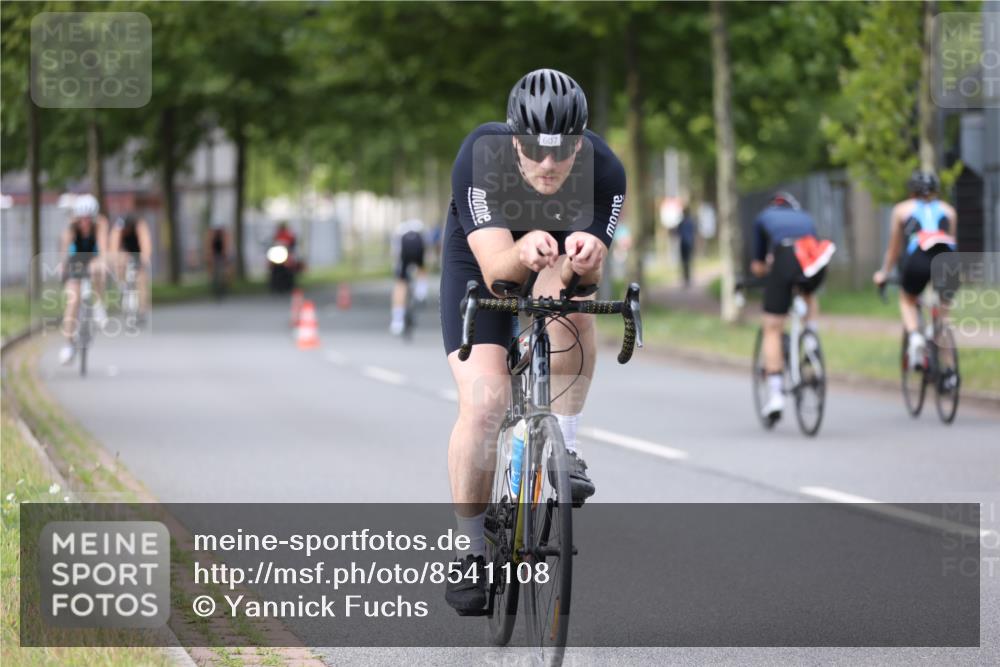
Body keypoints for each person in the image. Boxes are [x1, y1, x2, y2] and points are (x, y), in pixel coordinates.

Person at [440, 68, 626, 614]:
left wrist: (582, 263)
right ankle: (470, 549)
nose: (548, 165)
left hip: (557, 250)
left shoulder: (604, 169)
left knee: (576, 310)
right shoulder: (482, 154)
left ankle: (565, 446)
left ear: (580, 141)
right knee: (485, 404)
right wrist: (523, 253)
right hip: (482, 256)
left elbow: (582, 282)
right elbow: (499, 274)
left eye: (562, 151)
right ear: (515, 138)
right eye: (535, 150)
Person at [750, 192, 835, 421]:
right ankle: (810, 336)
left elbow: (758, 266)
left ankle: (776, 395)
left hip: (785, 256)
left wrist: (767, 270)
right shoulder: (805, 217)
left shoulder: (763, 218)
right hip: (814, 259)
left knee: (772, 327)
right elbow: (809, 255)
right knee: (807, 293)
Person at [873, 170, 958, 371]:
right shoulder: (949, 210)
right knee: (944, 319)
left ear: (912, 192)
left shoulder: (902, 209)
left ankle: (915, 337)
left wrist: (884, 272)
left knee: (907, 299)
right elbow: (951, 242)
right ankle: (951, 372)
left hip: (918, 257)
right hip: (947, 259)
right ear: (936, 191)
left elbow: (894, 248)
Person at [58, 194, 110, 365]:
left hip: (93, 260)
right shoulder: (71, 228)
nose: (85, 223)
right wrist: (62, 267)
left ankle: (98, 304)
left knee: (98, 268)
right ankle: (68, 344)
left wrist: (103, 262)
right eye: (82, 219)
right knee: (73, 301)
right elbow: (64, 253)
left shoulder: (101, 224)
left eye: (89, 219)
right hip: (75, 261)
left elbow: (102, 249)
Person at [109, 213, 152, 322]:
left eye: (126, 229)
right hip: (125, 252)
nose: (124, 231)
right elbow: (114, 247)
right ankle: (122, 287)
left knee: (141, 278)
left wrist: (144, 258)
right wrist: (116, 261)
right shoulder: (117, 229)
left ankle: (142, 309)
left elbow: (145, 243)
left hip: (138, 250)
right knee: (120, 262)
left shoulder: (139, 225)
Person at [390, 218, 428, 335]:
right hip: (418, 251)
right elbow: (426, 248)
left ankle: (397, 321)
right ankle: (421, 292)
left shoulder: (399, 230)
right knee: (421, 267)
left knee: (400, 283)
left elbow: (395, 253)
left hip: (403, 253)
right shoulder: (420, 228)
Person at [675, 206, 695, 287]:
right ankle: (688, 278)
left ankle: (686, 278)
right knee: (688, 261)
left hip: (683, 243)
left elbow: (677, 232)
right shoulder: (690, 222)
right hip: (689, 243)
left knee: (684, 262)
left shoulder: (682, 222)